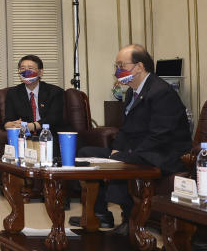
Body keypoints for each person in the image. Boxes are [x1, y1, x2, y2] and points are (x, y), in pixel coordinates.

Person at [70, 44, 191, 234]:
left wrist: (127, 154)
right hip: (140, 150)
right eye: (116, 66)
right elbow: (126, 130)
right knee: (86, 154)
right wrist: (116, 149)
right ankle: (99, 213)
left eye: (121, 65)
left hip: (163, 153)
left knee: (120, 161)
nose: (117, 71)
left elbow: (160, 135)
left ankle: (130, 221)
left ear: (139, 67)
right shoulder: (131, 92)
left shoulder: (161, 92)